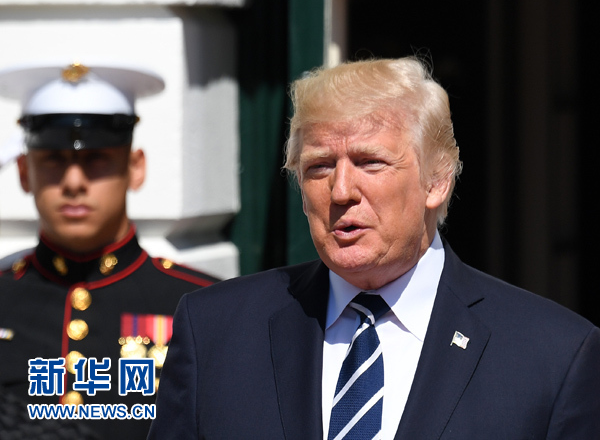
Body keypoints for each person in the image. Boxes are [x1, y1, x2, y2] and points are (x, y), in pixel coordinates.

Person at [149, 56, 600, 439]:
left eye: (370, 162)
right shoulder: (215, 332)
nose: (341, 190)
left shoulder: (552, 356)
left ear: (437, 181)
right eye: (319, 166)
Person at [0, 61, 219, 439]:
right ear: (23, 172)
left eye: (96, 160)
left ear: (135, 168)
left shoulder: (202, 305)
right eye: (53, 160)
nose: (74, 183)